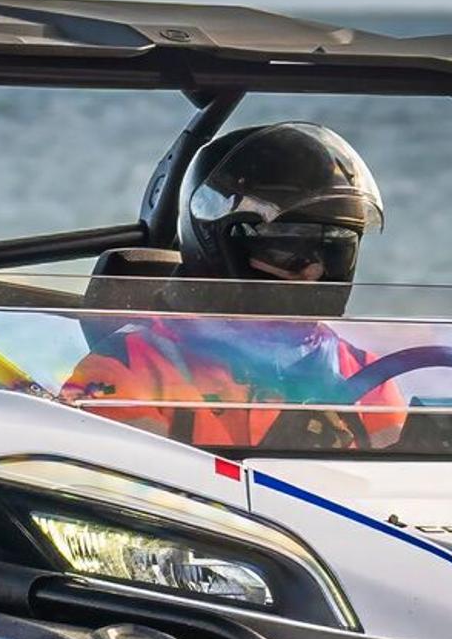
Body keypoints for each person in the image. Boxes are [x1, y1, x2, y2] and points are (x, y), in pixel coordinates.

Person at [61, 122, 409, 454]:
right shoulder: (122, 373)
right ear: (217, 243)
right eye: (288, 248)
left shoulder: (366, 374)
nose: (314, 270)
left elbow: (404, 496)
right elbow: (120, 503)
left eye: (335, 248)